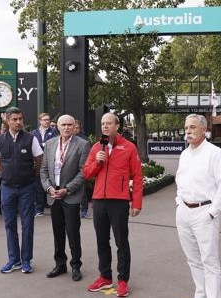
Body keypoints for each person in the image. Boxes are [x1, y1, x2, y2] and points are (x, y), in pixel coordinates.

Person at [83, 112, 143, 297]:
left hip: (119, 201)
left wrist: (137, 203)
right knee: (102, 241)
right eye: (103, 123)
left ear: (117, 126)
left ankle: (123, 280)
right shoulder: (96, 148)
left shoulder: (129, 147)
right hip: (99, 200)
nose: (105, 126)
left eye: (109, 123)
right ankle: (105, 277)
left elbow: (138, 176)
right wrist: (98, 162)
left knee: (121, 242)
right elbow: (86, 173)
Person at [175, 114, 221, 298]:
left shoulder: (214, 153)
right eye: (186, 128)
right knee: (192, 259)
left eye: (192, 127)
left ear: (203, 129)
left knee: (209, 261)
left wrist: (212, 212)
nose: (188, 131)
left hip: (204, 212)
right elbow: (180, 180)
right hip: (184, 212)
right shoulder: (185, 154)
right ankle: (200, 293)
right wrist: (179, 202)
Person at [0, 107, 43, 274]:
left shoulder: (31, 139)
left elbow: (38, 160)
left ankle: (26, 260)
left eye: (20, 119)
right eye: (15, 119)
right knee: (9, 224)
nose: (19, 122)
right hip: (7, 188)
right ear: (7, 120)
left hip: (27, 187)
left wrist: (30, 176)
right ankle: (13, 260)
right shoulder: (0, 140)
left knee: (28, 224)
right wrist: (6, 176)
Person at [40, 114, 90, 282]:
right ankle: (60, 264)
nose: (67, 127)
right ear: (58, 127)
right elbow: (44, 171)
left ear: (74, 126)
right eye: (64, 125)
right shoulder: (50, 144)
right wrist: (48, 188)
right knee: (57, 232)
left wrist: (67, 189)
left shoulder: (82, 144)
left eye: (70, 124)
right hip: (53, 196)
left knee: (73, 232)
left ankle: (76, 265)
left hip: (71, 196)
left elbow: (84, 172)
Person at [31, 113, 58, 217]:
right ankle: (39, 209)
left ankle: (53, 207)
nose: (47, 121)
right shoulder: (34, 132)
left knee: (51, 183)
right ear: (40, 121)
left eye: (48, 119)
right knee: (38, 185)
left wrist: (43, 145)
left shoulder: (54, 131)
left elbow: (54, 144)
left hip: (51, 161)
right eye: (45, 119)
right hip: (38, 162)